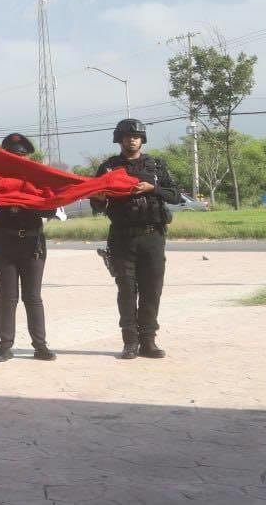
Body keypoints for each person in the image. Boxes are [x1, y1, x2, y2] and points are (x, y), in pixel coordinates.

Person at [91, 119, 181, 360]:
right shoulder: (109, 167)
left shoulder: (156, 165)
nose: (132, 139)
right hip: (122, 237)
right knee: (127, 291)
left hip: (152, 236)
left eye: (137, 136)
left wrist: (152, 188)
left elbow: (175, 195)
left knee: (152, 290)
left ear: (143, 139)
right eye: (128, 136)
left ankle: (148, 341)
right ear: (119, 139)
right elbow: (97, 205)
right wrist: (99, 197)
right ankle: (130, 342)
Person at [0, 133, 57, 363]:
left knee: (33, 297)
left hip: (31, 244)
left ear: (27, 157)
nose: (18, 158)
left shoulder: (38, 178)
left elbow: (51, 210)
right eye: (12, 155)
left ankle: (40, 346)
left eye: (21, 155)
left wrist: (30, 198)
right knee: (7, 297)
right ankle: (5, 347)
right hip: (3, 243)